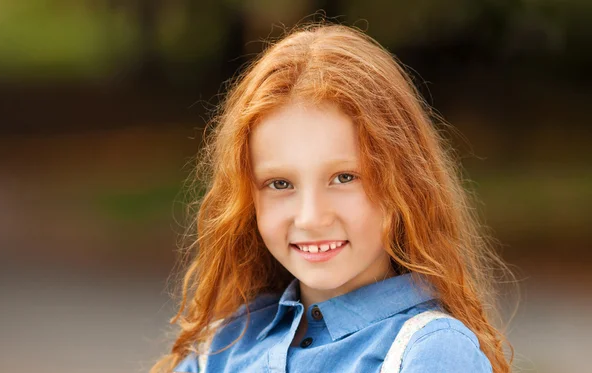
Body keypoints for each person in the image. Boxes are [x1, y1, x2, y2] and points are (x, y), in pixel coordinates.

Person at [151, 22, 514, 373]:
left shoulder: (430, 351)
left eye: (344, 178)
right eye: (280, 184)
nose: (311, 217)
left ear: (404, 184)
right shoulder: (226, 344)